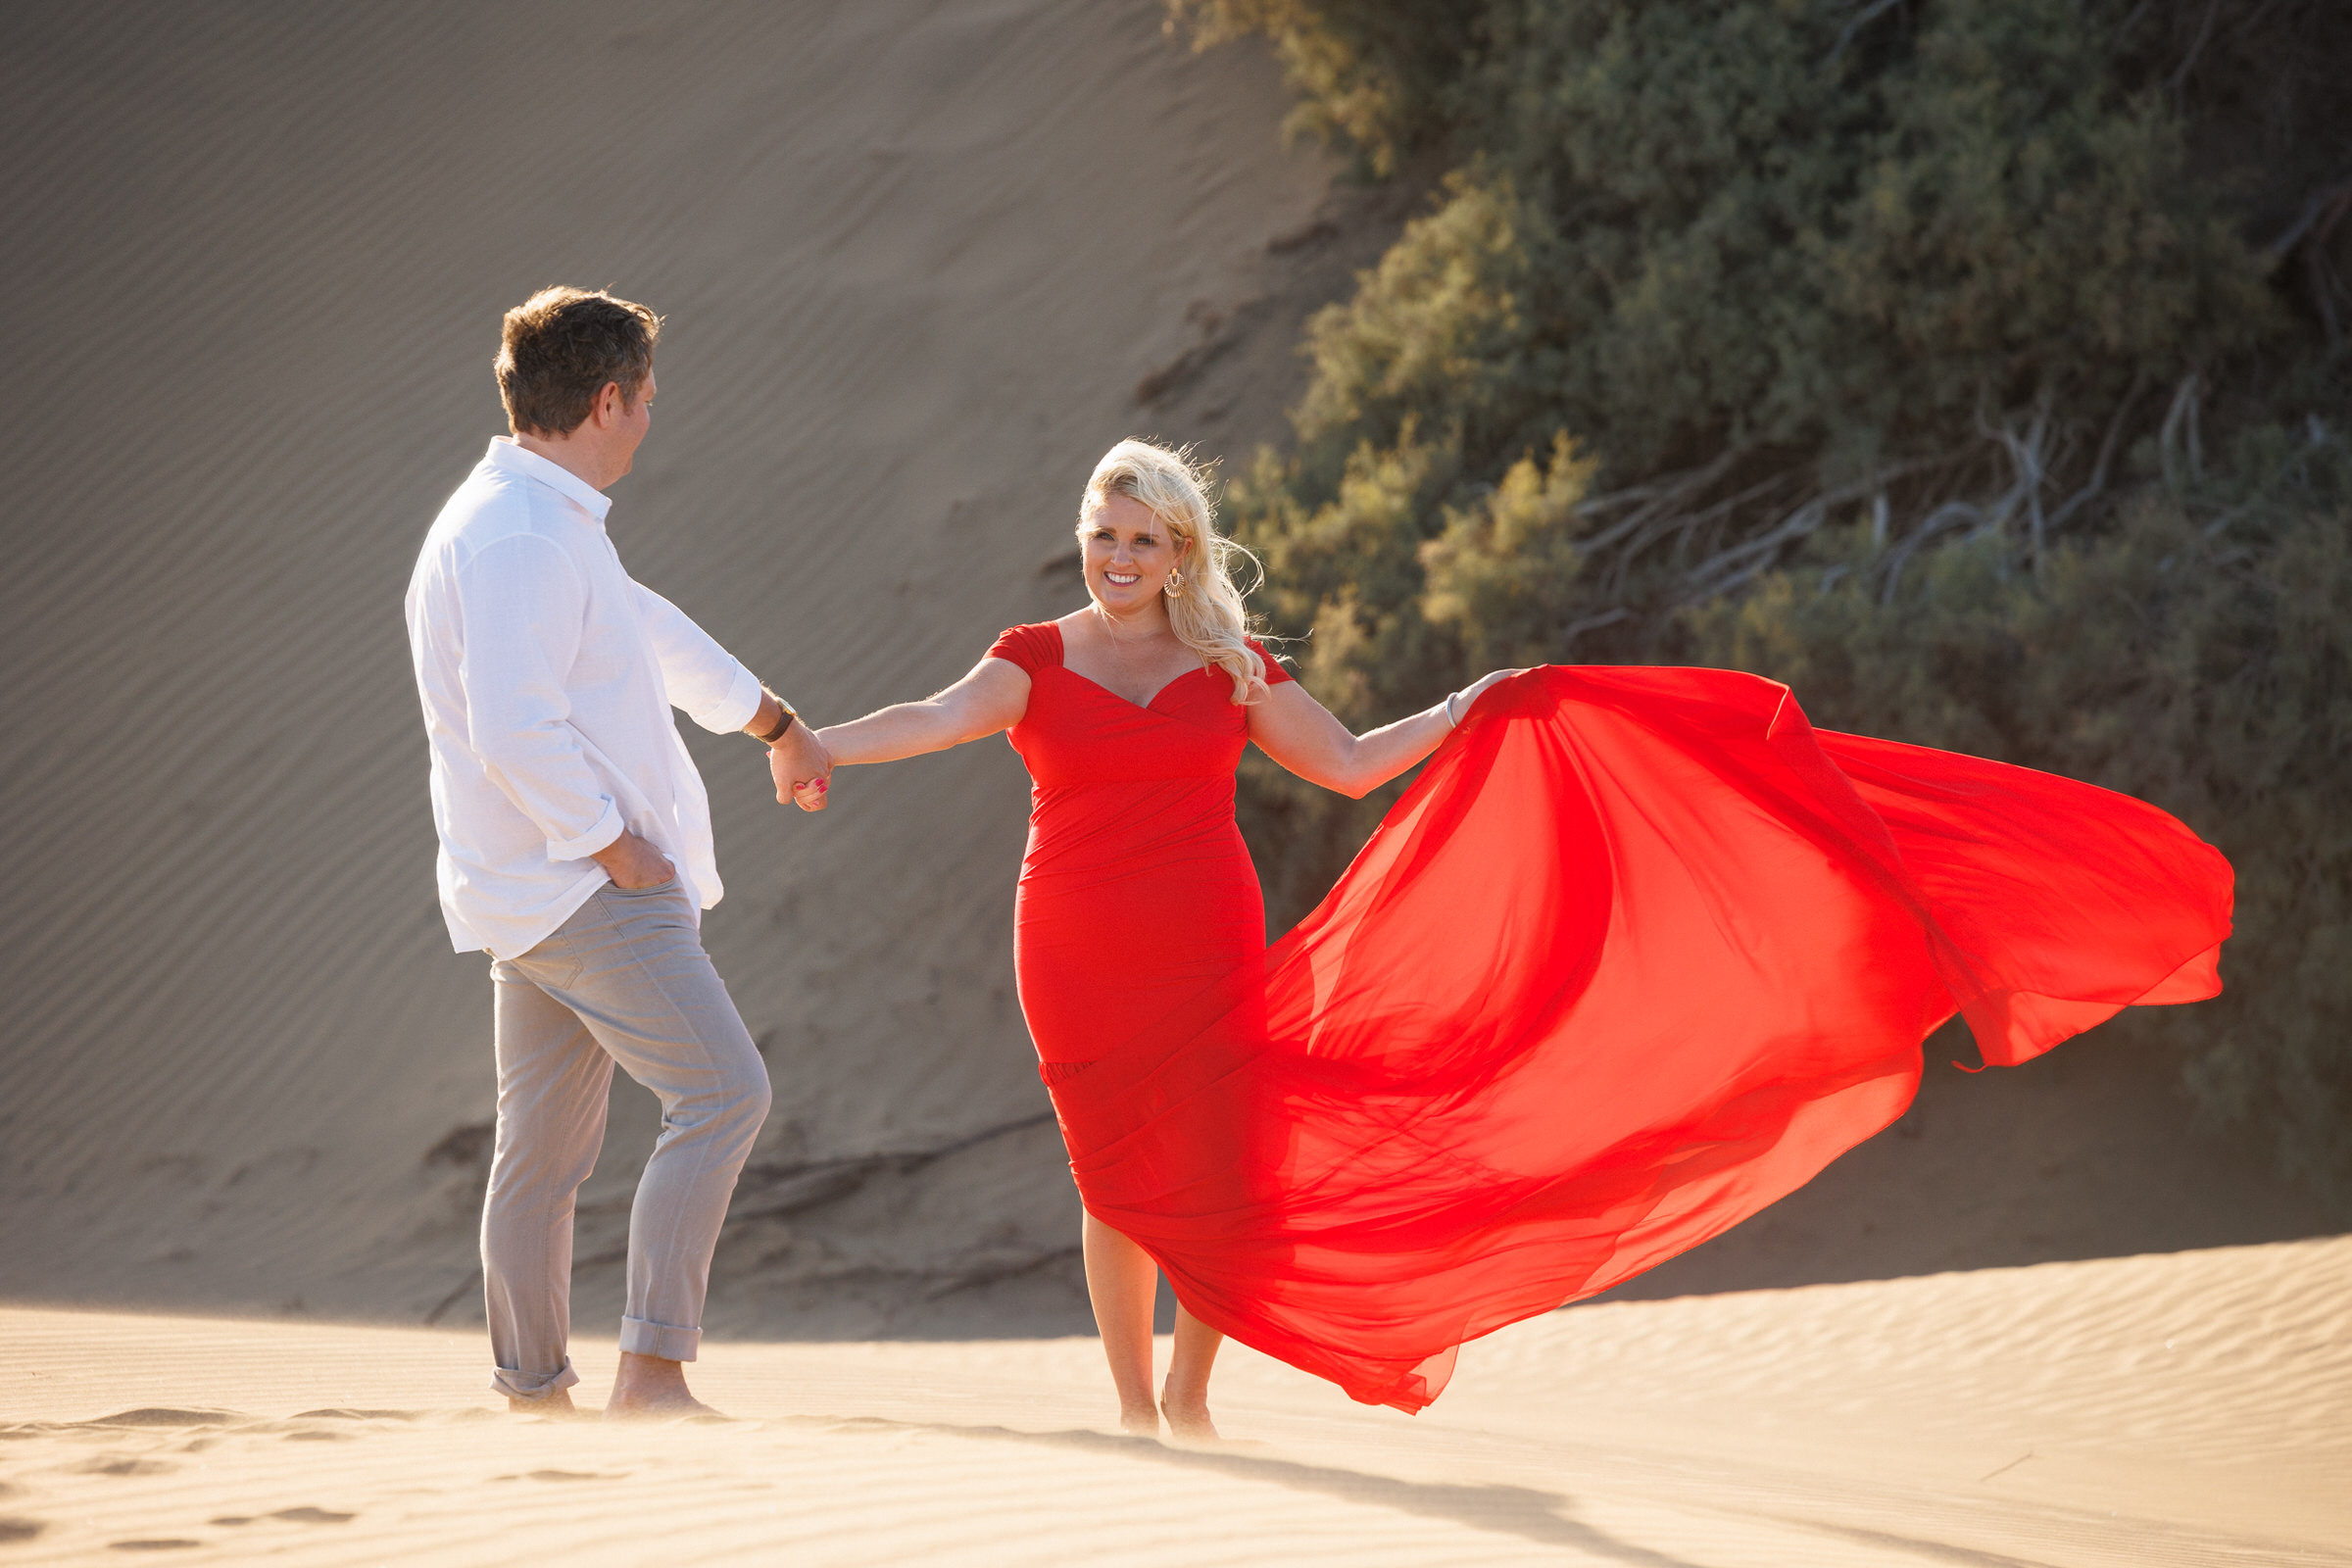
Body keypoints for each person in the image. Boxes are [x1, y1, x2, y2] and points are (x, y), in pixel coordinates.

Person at [787, 438, 2232, 1440]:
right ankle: (1127, 1404)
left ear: (1183, 553)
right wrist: (822, 746)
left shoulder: (1231, 668)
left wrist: (1477, 703)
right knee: (1113, 1170)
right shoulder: (1032, 659)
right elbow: (931, 716)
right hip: (1075, 941)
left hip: (1206, 933)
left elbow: (1352, 763)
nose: (1115, 557)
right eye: (1101, 535)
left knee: (1221, 1166)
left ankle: (1192, 1398)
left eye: (1142, 539)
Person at [406, 286, 830, 1418]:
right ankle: (652, 1373)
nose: (651, 416)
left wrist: (776, 725)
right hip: (584, 888)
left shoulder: (530, 518)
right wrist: (613, 846)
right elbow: (514, 727)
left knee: (540, 1156)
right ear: (606, 400)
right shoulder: (521, 536)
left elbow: (645, 631)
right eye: (645, 398)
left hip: (531, 897)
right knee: (725, 1093)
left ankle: (532, 1389)